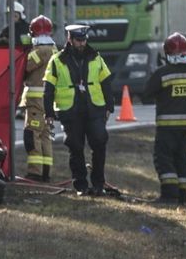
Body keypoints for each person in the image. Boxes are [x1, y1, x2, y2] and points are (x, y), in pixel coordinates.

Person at [43, 24, 117, 196]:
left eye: (84, 40)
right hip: (70, 110)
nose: (82, 44)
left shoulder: (95, 57)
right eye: (78, 40)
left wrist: (109, 105)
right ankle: (81, 185)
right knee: (75, 146)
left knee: (99, 142)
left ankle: (98, 184)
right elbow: (49, 88)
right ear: (70, 39)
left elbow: (106, 82)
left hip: (94, 108)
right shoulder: (57, 60)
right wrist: (49, 113)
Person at [141, 32, 186, 204]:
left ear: (167, 54)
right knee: (181, 159)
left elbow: (146, 94)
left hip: (167, 126)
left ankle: (169, 195)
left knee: (163, 159)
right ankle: (182, 196)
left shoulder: (163, 73)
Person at [21, 16, 55, 182]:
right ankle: (46, 172)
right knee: (45, 136)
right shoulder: (55, 50)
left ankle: (35, 172)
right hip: (48, 102)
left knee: (32, 135)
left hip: (36, 102)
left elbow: (24, 67)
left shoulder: (39, 52)